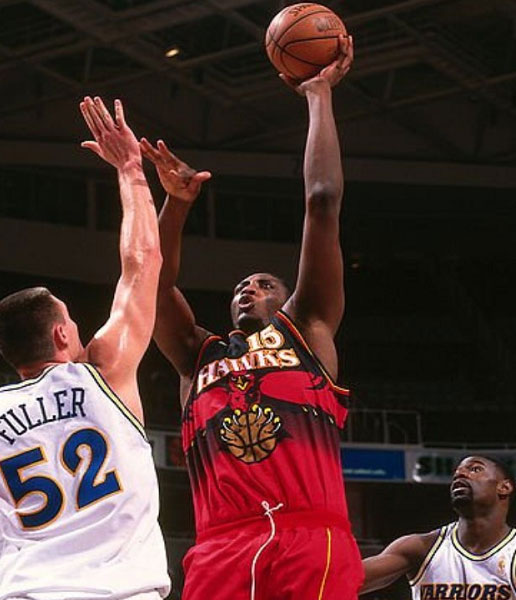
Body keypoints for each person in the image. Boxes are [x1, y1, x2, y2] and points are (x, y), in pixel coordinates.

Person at [0, 96, 169, 600]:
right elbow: (142, 259)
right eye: (72, 322)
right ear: (60, 334)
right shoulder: (103, 371)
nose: (78, 330)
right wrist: (130, 169)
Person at [144, 36, 358, 600]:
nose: (249, 290)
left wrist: (318, 96)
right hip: (218, 547)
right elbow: (153, 282)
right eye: (241, 287)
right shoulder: (197, 356)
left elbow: (321, 200)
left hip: (310, 535)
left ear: (286, 298)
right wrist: (176, 205)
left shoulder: (307, 328)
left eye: (265, 285)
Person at [361, 455, 515, 598]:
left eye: (475, 469)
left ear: (504, 487)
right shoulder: (421, 547)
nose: (460, 473)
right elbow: (346, 580)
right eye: (456, 472)